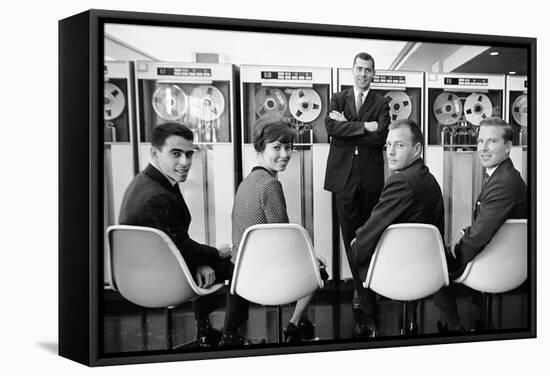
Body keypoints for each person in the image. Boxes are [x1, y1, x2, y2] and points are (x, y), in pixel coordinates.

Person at [118, 122, 236, 348]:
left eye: (189, 154)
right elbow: (182, 248)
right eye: (176, 154)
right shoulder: (158, 196)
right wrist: (214, 255)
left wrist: (201, 260)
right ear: (154, 153)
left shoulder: (147, 181)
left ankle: (205, 329)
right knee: (235, 264)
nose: (185, 162)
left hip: (152, 266)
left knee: (209, 261)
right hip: (160, 275)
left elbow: (177, 244)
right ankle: (230, 336)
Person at [222, 116, 326, 345]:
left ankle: (302, 322)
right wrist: (311, 253)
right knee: (318, 268)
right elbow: (285, 239)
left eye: (289, 147)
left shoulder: (247, 181)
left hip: (242, 271)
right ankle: (294, 325)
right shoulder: (270, 184)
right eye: (277, 147)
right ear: (260, 147)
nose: (285, 154)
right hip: (264, 273)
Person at [350, 119, 445, 336]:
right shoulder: (429, 179)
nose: (390, 152)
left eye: (399, 145)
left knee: (357, 244)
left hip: (399, 271)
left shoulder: (401, 181)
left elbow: (373, 228)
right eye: (388, 145)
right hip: (426, 270)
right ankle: (409, 320)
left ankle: (369, 320)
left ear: (417, 149)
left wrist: (356, 247)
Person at [434, 116, 528, 332]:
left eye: (492, 142)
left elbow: (478, 237)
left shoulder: (503, 183)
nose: (483, 148)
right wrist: (463, 232)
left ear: (508, 147)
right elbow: (490, 223)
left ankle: (454, 326)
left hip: (496, 264)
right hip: (500, 254)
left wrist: (454, 253)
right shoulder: (503, 174)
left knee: (436, 261)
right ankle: (478, 313)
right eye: (480, 141)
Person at [324, 52, 390, 337]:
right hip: (343, 177)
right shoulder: (337, 99)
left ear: (374, 73)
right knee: (348, 234)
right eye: (360, 69)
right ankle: (362, 292)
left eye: (369, 70)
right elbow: (331, 129)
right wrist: (365, 126)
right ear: (352, 70)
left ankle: (365, 287)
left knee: (368, 236)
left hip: (370, 177)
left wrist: (347, 127)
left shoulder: (382, 102)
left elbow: (381, 137)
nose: (364, 74)